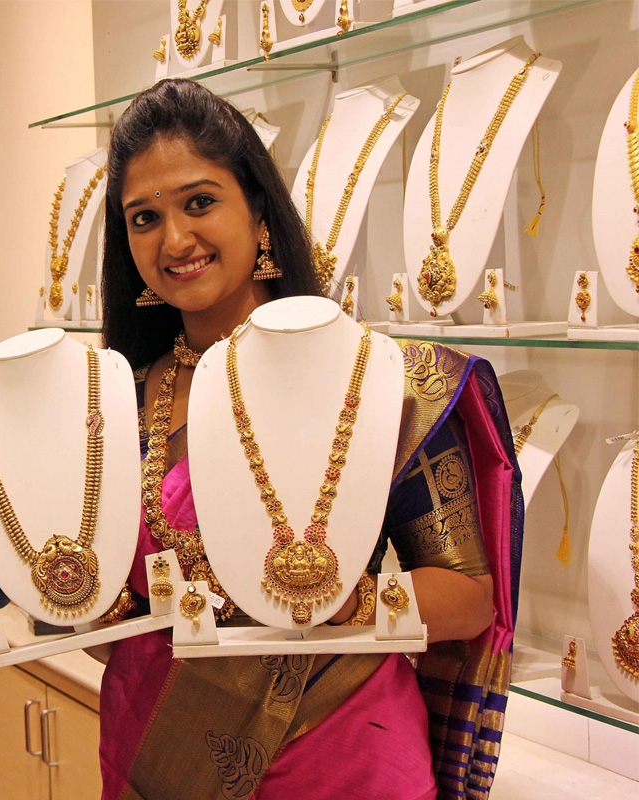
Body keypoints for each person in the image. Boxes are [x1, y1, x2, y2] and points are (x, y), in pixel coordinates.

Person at [95, 80, 522, 800]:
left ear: (259, 212)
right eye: (145, 217)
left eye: (199, 203)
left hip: (340, 752)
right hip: (156, 751)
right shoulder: (118, 400)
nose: (175, 241)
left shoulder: (382, 382)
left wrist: (333, 601)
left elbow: (467, 597)